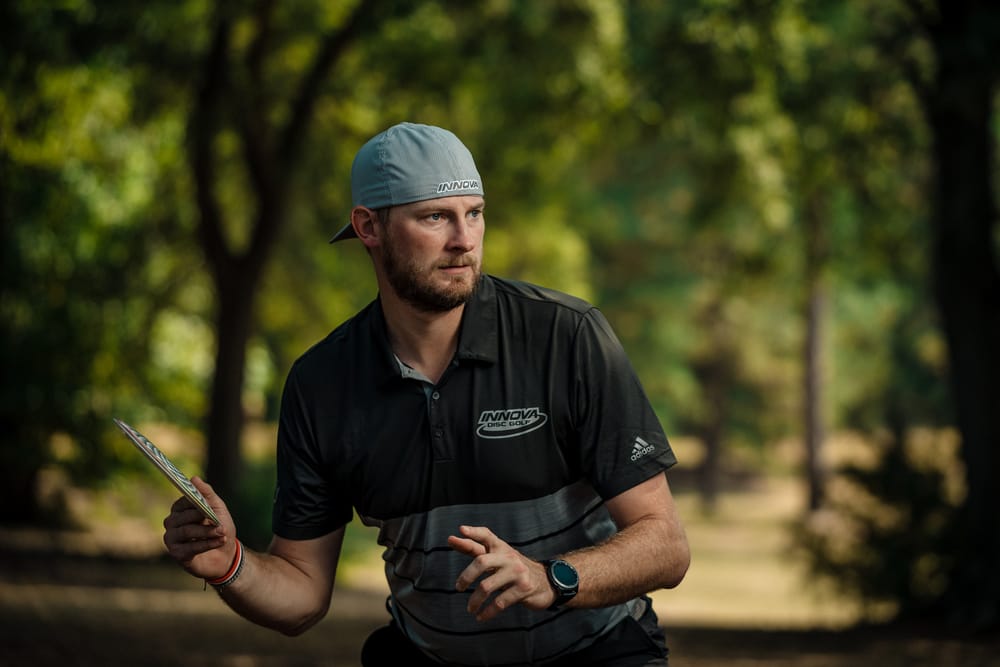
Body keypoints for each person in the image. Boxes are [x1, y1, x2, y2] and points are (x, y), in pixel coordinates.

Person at [162, 121, 690, 666]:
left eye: (475, 213)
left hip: (597, 653)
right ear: (368, 226)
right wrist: (231, 565)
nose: (464, 239)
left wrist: (550, 577)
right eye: (435, 216)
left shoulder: (566, 337)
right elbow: (302, 593)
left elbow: (665, 545)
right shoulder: (322, 384)